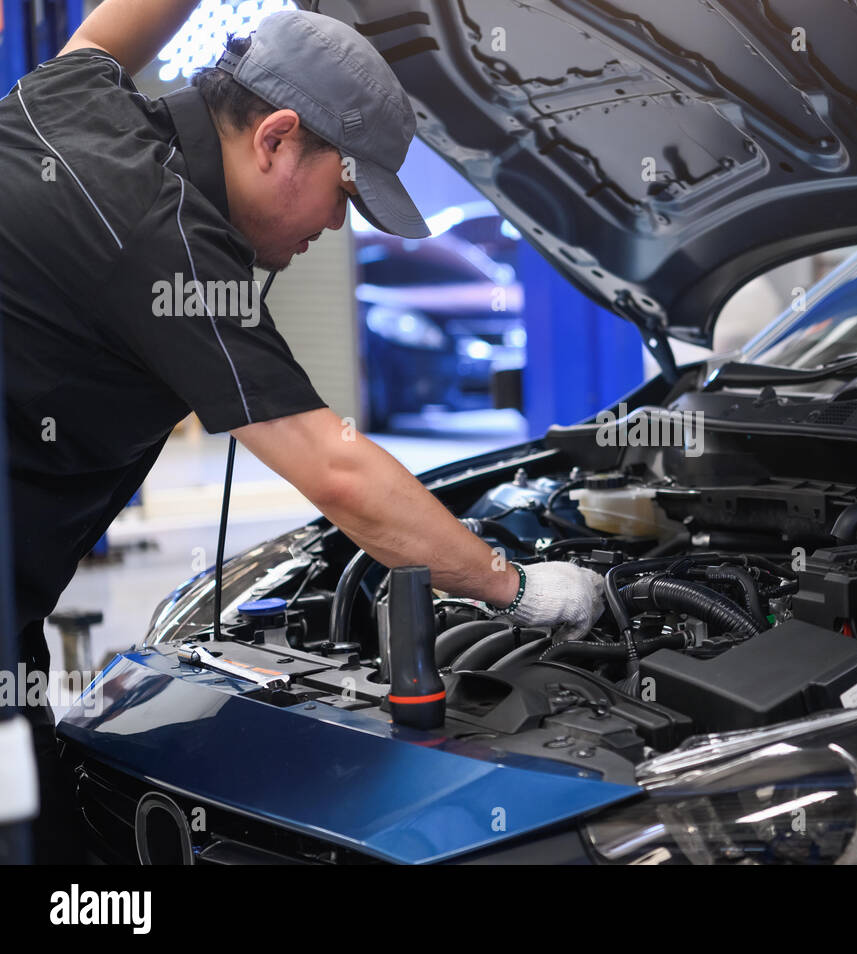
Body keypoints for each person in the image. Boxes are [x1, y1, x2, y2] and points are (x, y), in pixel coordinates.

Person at [0, 2, 605, 861]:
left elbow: (107, 30)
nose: (334, 228)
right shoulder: (166, 243)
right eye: (344, 194)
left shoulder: (77, 93)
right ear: (277, 138)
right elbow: (337, 471)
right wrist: (518, 588)